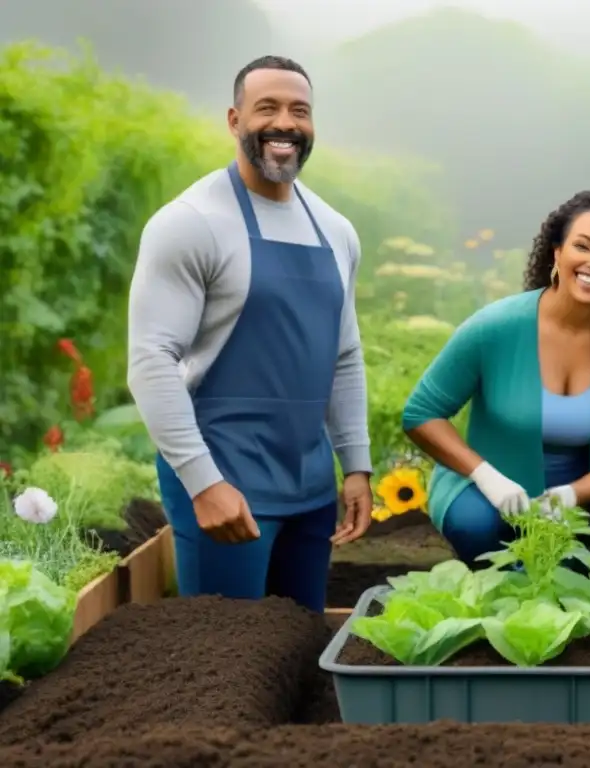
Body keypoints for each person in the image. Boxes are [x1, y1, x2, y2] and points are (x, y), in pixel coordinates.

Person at [126, 56, 373, 614]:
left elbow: (344, 354)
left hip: (310, 483)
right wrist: (202, 482)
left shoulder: (336, 230)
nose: (285, 122)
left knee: (298, 649)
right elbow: (150, 361)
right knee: (223, 657)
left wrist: (355, 465)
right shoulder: (191, 222)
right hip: (224, 478)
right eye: (267, 108)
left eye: (299, 110)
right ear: (235, 120)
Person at [402, 191, 590, 571]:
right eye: (583, 246)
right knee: (474, 524)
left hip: (587, 492)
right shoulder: (495, 326)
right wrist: (485, 476)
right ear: (557, 253)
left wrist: (571, 495)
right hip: (495, 488)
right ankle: (496, 597)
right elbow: (421, 414)